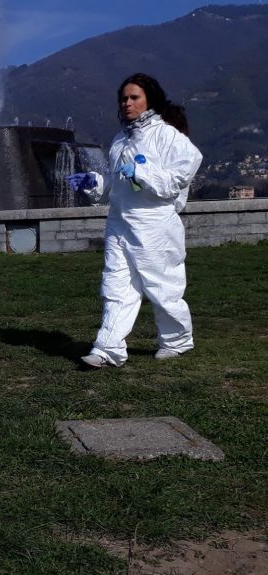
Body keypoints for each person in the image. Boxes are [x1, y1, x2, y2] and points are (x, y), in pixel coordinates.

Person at [66, 73, 203, 368]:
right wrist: (94, 183)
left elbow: (180, 178)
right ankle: (108, 348)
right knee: (116, 287)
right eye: (123, 98)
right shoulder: (120, 140)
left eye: (134, 98)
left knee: (162, 288)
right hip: (120, 224)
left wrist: (142, 173)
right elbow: (118, 184)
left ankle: (177, 340)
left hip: (154, 226)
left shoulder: (168, 137)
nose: (127, 103)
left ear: (149, 100)